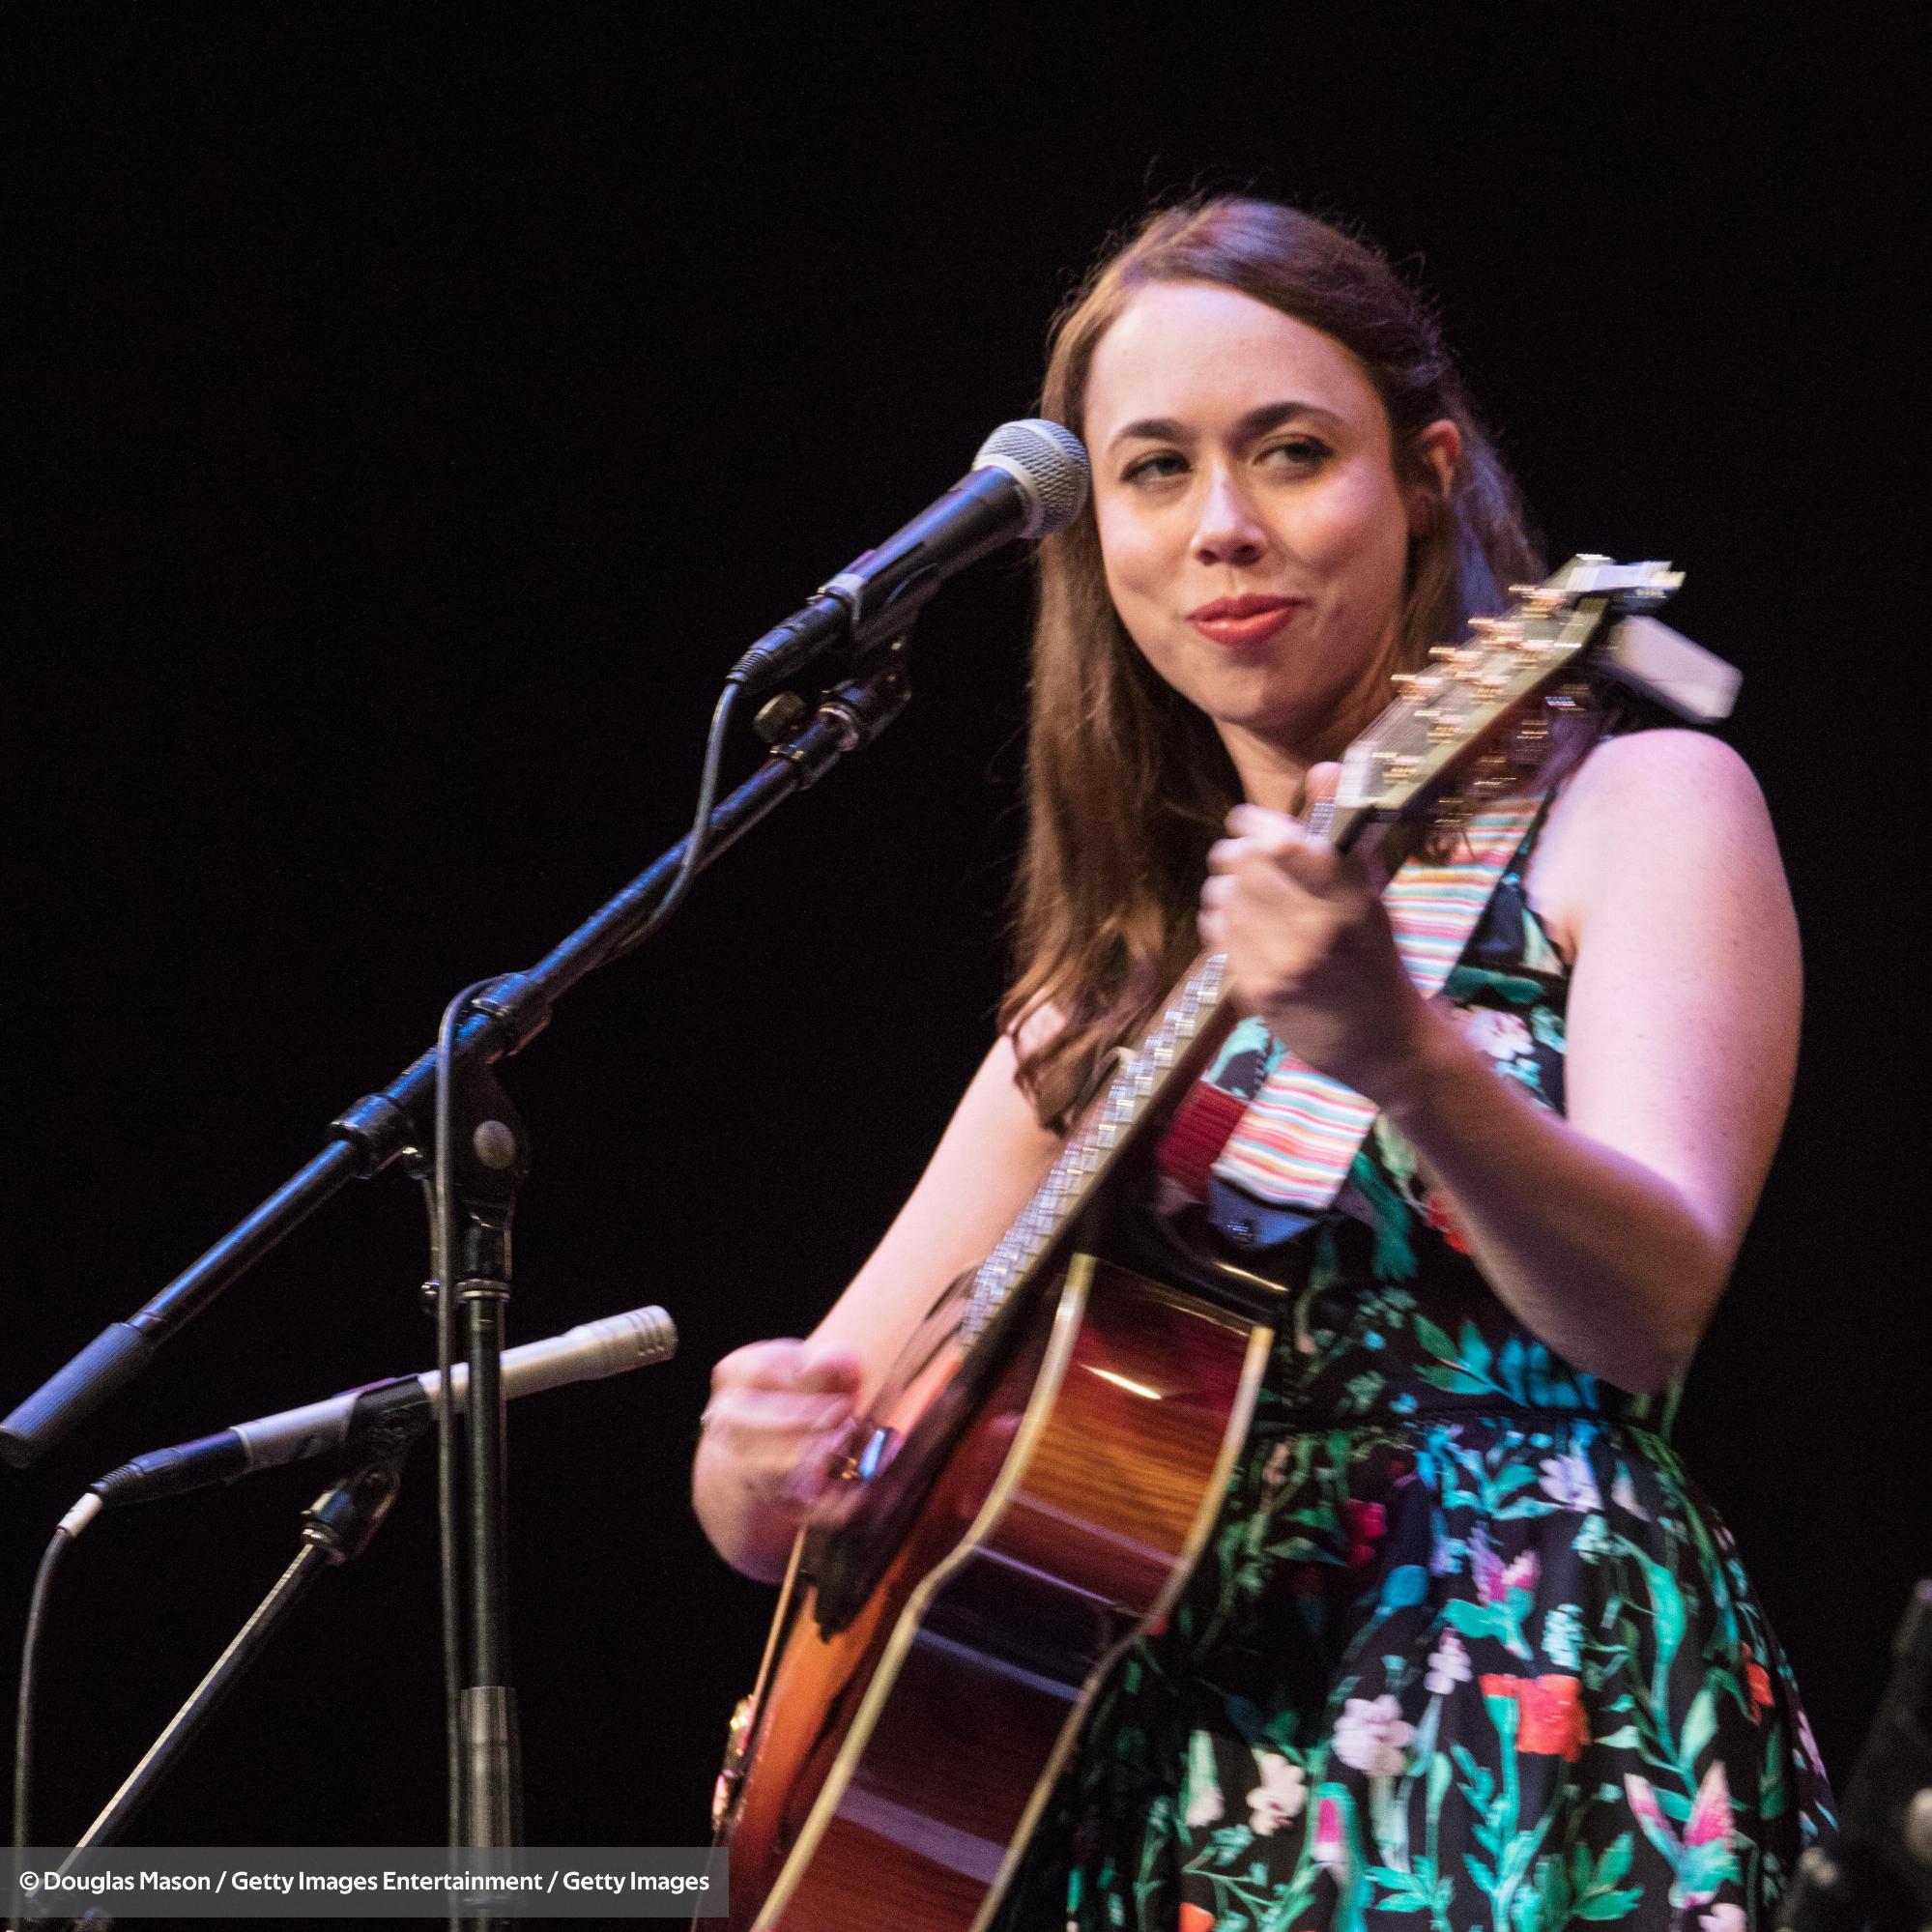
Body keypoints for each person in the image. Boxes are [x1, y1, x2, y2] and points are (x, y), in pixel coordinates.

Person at [691, 198, 1832, 1932]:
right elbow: (799, 1473)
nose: (1224, 528)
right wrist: (760, 1464)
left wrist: (1406, 1057)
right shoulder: (1099, 998)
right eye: (1153, 472)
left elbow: (1648, 1308)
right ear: (1097, 540)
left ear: (1425, 477)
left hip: (1512, 1730)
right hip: (1138, 1804)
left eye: (1291, 453)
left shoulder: (1641, 812)